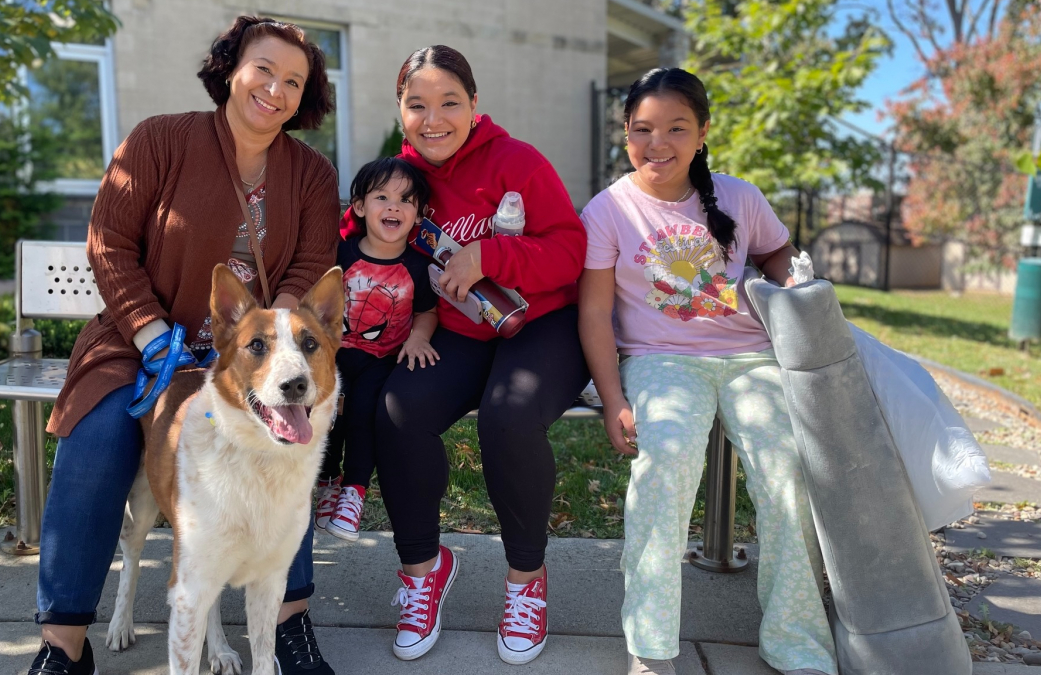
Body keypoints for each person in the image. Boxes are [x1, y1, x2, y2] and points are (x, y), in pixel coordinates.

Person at [27, 17, 340, 675]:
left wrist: (263, 353)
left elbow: (310, 267)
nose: (275, 89)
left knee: (287, 437)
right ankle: (63, 645)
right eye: (264, 69)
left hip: (246, 357)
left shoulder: (311, 173)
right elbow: (109, 243)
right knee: (99, 437)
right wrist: (151, 336)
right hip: (138, 346)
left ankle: (287, 624)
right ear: (230, 67)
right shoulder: (160, 140)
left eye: (293, 81)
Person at [577, 67, 837, 675]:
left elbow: (774, 250)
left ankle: (796, 641)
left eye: (676, 127)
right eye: (642, 129)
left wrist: (789, 279)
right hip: (660, 362)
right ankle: (652, 645)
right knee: (664, 463)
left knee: (789, 471)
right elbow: (593, 311)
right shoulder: (609, 209)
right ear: (625, 133)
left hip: (751, 358)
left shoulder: (740, 196)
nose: (657, 143)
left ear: (702, 133)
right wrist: (614, 396)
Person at [340, 45, 591, 666]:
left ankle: (526, 582)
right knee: (398, 410)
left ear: (474, 106)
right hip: (454, 331)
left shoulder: (517, 161)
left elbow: (570, 249)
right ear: (400, 111)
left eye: (450, 103)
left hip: (543, 324)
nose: (434, 119)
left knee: (510, 417)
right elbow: (353, 240)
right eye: (417, 105)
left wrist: (492, 258)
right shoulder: (398, 181)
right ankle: (423, 570)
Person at [315, 157, 439, 541]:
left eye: (405, 199)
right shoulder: (341, 254)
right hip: (333, 356)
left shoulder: (417, 266)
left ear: (418, 213)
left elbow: (428, 311)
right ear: (358, 206)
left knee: (364, 413)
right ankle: (326, 482)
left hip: (381, 360)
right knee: (327, 413)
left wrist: (419, 337)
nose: (393, 206)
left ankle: (354, 492)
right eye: (381, 197)